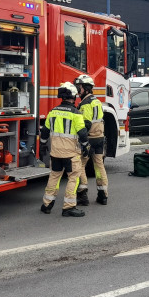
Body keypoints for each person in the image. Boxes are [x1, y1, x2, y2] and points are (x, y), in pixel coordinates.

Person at [39, 82, 89, 217]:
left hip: (55, 153)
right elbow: (82, 133)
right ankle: (69, 207)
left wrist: (42, 145)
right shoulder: (76, 113)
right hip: (71, 154)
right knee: (73, 178)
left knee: (54, 177)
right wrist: (86, 146)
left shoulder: (53, 111)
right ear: (73, 96)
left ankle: (47, 204)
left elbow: (44, 131)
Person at [74, 74, 108, 205]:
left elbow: (86, 124)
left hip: (89, 139)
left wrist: (80, 139)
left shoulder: (85, 104)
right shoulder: (97, 101)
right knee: (99, 166)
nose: (78, 90)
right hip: (99, 138)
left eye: (79, 87)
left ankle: (82, 195)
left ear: (86, 88)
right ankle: (103, 195)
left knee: (80, 166)